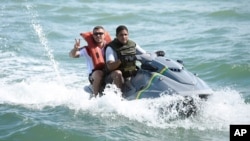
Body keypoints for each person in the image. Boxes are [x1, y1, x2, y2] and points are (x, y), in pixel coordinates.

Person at [69, 26, 111, 97]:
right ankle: (95, 96)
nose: (98, 35)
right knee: (99, 73)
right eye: (96, 34)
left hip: (108, 73)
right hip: (94, 76)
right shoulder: (87, 49)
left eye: (100, 33)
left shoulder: (111, 47)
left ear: (104, 35)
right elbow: (73, 55)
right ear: (93, 36)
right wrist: (75, 49)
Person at [105, 25, 146, 90]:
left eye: (125, 34)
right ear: (116, 36)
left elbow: (145, 55)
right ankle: (119, 96)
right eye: (121, 35)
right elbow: (110, 67)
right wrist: (121, 60)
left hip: (129, 73)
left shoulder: (132, 44)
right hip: (113, 76)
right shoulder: (110, 48)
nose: (123, 37)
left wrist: (155, 54)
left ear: (128, 35)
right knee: (117, 73)